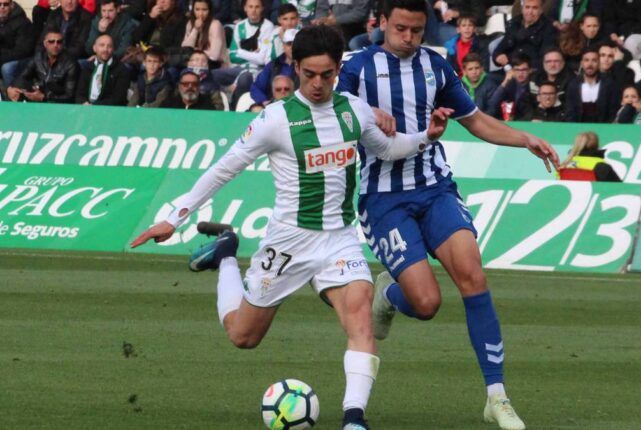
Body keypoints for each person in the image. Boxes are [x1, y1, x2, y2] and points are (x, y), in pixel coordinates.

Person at [130, 24, 453, 430]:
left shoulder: (353, 109)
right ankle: (228, 253)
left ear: (338, 70)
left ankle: (354, 419)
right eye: (309, 74)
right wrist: (175, 216)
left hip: (339, 239)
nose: (318, 84)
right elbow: (225, 168)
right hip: (287, 242)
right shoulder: (275, 119)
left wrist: (426, 136)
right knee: (243, 336)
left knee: (360, 318)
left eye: (327, 75)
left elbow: (387, 149)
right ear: (295, 67)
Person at [336, 1, 559, 429]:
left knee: (473, 274)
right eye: (400, 28)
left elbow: (474, 121)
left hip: (435, 187)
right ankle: (389, 295)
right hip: (383, 198)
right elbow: (332, 110)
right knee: (426, 303)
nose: (409, 37)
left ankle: (497, 396)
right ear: (380, 23)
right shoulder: (356, 69)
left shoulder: (435, 68)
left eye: (417, 30)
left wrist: (523, 138)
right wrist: (362, 113)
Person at [7, 29, 79, 103]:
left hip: (56, 102)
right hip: (38, 95)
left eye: (59, 42)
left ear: (63, 44)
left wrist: (44, 97)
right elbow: (23, 77)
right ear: (45, 44)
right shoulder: (38, 57)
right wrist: (11, 87)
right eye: (51, 42)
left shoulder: (71, 64)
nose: (55, 45)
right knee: (14, 93)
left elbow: (70, 96)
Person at [216, 0, 275, 88]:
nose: (253, 10)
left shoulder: (268, 26)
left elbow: (262, 59)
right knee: (214, 74)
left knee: (245, 79)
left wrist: (240, 52)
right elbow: (232, 56)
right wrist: (254, 55)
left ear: (262, 8)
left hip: (258, 70)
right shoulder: (239, 26)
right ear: (245, 8)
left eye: (257, 7)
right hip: (238, 68)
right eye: (250, 7)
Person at [492, 0, 557, 71]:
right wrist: (497, 57)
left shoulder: (548, 28)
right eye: (527, 7)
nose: (530, 12)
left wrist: (515, 66)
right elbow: (498, 50)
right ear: (522, 9)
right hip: (509, 69)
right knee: (489, 77)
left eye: (534, 8)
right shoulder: (514, 23)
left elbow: (545, 59)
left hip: (530, 72)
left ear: (541, 10)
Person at [564, 46, 620, 123]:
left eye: (594, 60)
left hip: (604, 129)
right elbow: (570, 111)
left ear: (599, 63)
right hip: (578, 130)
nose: (590, 64)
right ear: (582, 63)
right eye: (586, 60)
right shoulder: (573, 85)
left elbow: (613, 111)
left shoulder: (610, 84)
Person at [75, 33, 129, 105]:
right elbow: (79, 94)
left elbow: (118, 98)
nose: (105, 49)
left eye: (109, 46)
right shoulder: (87, 67)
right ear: (94, 48)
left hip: (109, 111)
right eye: (102, 45)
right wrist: (84, 103)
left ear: (113, 49)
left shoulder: (121, 69)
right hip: (86, 109)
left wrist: (94, 106)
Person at [248, 27, 297, 106]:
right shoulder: (273, 65)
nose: (293, 47)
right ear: (283, 46)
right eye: (289, 44)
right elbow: (256, 88)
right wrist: (265, 102)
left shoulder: (307, 67)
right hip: (274, 108)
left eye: (296, 44)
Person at [132, 0, 187, 68]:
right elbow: (136, 37)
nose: (162, 1)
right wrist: (150, 17)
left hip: (165, 57)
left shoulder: (181, 19)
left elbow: (177, 45)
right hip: (145, 54)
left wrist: (156, 51)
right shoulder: (151, 15)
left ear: (173, 2)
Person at [488, 53, 535, 121]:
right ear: (512, 71)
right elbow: (493, 103)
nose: (520, 73)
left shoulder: (533, 85)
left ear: (530, 70)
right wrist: (505, 82)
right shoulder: (509, 85)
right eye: (517, 70)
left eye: (524, 70)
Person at [182, 0, 227, 67]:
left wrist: (196, 51)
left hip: (215, 65)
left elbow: (215, 56)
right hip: (194, 63)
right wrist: (195, 29)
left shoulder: (215, 25)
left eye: (204, 10)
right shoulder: (190, 24)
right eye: (197, 9)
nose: (200, 14)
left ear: (210, 11)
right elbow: (185, 48)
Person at [0, 0, 35, 86]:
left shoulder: (23, 23)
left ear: (12, 5)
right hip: (4, 57)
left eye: (6, 4)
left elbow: (22, 51)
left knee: (7, 68)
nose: (2, 7)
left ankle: (12, 97)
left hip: (22, 60)